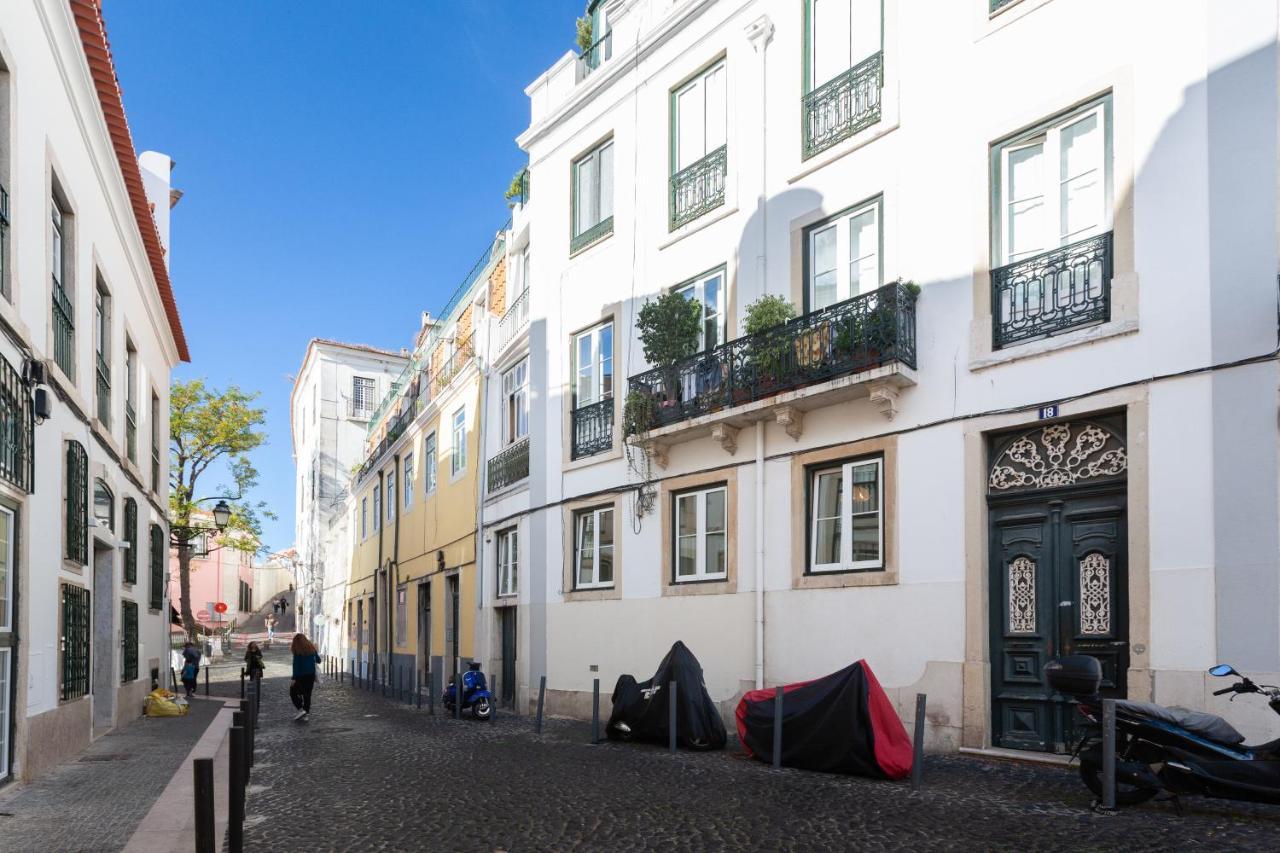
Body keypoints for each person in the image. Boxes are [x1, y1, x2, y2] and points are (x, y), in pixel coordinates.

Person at [289, 633, 321, 721]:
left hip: (300, 676)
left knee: (293, 692)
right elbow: (319, 660)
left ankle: (301, 709)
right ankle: (306, 714)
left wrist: (294, 678)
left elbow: (296, 666)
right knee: (307, 695)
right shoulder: (311, 649)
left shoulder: (297, 651)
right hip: (311, 675)